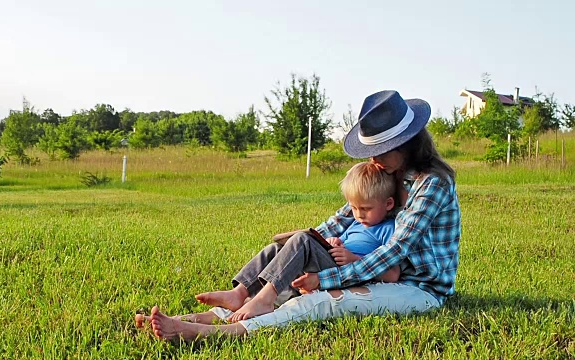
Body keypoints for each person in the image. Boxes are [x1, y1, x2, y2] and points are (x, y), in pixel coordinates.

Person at [140, 90, 461, 341]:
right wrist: (304, 243)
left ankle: (217, 332)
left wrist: (325, 278)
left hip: (418, 289)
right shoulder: (388, 174)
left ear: (406, 143)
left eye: (381, 149)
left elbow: (395, 251)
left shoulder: (431, 183)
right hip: (380, 273)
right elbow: (341, 220)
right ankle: (199, 318)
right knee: (292, 275)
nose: (374, 159)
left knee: (323, 298)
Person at [136, 161, 401, 329]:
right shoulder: (356, 223)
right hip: (330, 264)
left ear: (388, 204)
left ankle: (264, 299)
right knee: (277, 249)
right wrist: (334, 243)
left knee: (302, 240)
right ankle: (239, 293)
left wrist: (351, 257)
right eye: (353, 208)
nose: (358, 214)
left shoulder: (388, 228)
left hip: (346, 277)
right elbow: (343, 238)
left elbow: (392, 274)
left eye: (365, 208)